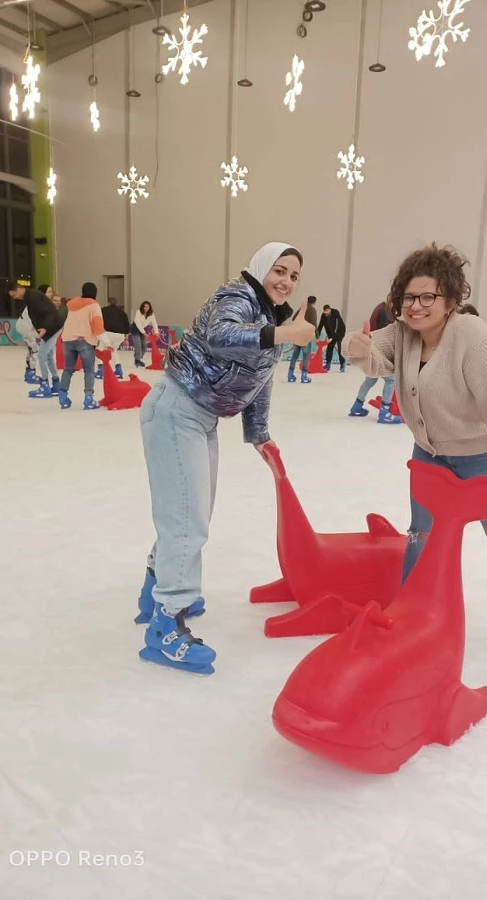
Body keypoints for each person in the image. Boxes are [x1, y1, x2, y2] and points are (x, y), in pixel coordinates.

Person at [343, 243, 487, 652]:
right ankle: (406, 611)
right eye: (408, 296)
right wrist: (360, 350)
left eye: (427, 297)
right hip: (431, 455)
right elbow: (376, 354)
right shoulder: (404, 333)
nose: (416, 306)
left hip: (485, 458)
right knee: (420, 536)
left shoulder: (472, 337)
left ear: (450, 301)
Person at [136, 242, 314, 675]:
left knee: (192, 512)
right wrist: (283, 334)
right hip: (177, 408)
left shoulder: (271, 316)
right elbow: (221, 336)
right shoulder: (235, 296)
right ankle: (165, 625)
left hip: (203, 418)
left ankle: (156, 588)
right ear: (259, 268)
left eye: (293, 275)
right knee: (186, 518)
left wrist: (259, 434)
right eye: (280, 270)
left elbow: (260, 379)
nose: (286, 281)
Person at [349, 298, 401, 424]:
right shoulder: (384, 312)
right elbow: (383, 334)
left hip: (372, 349)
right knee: (391, 380)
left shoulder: (380, 309)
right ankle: (384, 413)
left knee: (370, 379)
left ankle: (357, 406)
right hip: (378, 351)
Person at [8, 281, 63, 398]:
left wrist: (45, 327)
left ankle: (45, 385)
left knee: (42, 355)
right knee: (47, 355)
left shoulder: (33, 297)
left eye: (13, 295)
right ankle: (57, 384)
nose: (14, 298)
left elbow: (48, 312)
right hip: (52, 327)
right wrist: (37, 325)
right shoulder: (30, 297)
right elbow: (38, 314)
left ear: (18, 289)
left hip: (52, 327)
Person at [58, 282, 106, 410]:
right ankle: (88, 399)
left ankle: (63, 397)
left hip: (68, 339)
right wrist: (106, 342)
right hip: (84, 340)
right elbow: (98, 327)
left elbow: (60, 319)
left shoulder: (70, 303)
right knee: (89, 370)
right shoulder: (94, 305)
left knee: (68, 369)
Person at [287, 296, 318, 383]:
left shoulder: (302, 308)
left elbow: (294, 318)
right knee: (306, 356)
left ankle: (290, 375)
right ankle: (304, 376)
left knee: (295, 355)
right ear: (314, 302)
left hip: (297, 335)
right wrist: (317, 336)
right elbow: (314, 323)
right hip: (305, 336)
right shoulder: (312, 310)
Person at [98, 296, 130, 380]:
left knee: (100, 349)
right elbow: (127, 325)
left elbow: (99, 321)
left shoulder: (104, 310)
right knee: (113, 350)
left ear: (108, 302)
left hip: (107, 332)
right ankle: (119, 370)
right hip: (120, 335)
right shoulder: (122, 312)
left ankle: (100, 371)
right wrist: (126, 338)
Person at [318, 303, 347, 372]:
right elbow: (320, 325)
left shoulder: (335, 313)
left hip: (339, 332)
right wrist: (317, 336)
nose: (326, 313)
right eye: (325, 312)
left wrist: (332, 337)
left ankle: (342, 363)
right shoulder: (323, 316)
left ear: (330, 310)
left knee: (339, 349)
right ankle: (328, 364)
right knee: (329, 348)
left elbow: (337, 326)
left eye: (327, 311)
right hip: (331, 333)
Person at [131, 301, 158, 368]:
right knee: (138, 345)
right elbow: (137, 323)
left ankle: (138, 358)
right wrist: (144, 333)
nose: (146, 308)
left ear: (149, 307)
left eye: (147, 306)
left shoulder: (151, 314)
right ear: (142, 307)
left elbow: (154, 322)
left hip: (142, 329)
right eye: (144, 306)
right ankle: (137, 360)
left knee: (144, 346)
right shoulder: (138, 312)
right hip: (135, 328)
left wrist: (156, 332)